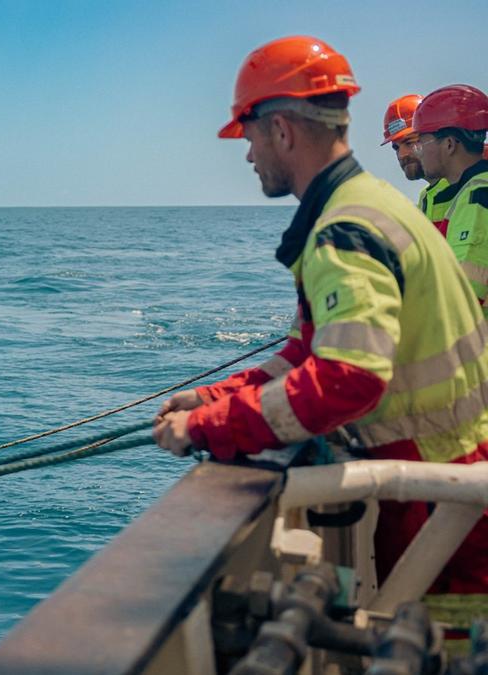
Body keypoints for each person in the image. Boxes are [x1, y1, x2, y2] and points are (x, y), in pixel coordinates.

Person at [152, 35, 488, 629]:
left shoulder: (345, 230)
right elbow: (311, 350)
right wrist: (217, 395)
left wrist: (209, 426)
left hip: (441, 499)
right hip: (449, 474)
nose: (249, 154)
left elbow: (346, 379)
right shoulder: (372, 202)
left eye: (250, 136)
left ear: (281, 129)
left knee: (448, 646)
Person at [411, 85, 488, 311]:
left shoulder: (477, 196)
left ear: (449, 144)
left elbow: (462, 296)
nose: (418, 151)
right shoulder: (470, 190)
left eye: (421, 143)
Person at [382, 94, 457, 232]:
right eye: (396, 147)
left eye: (409, 142)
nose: (401, 154)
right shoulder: (425, 199)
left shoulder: (467, 185)